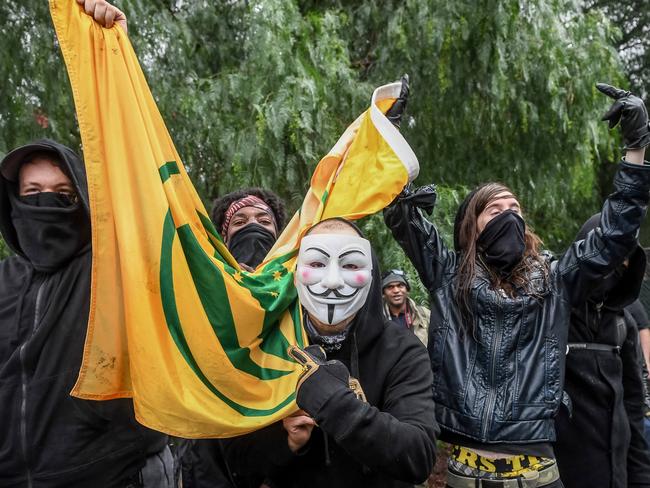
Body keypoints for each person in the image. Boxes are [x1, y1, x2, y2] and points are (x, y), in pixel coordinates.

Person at [384, 83, 650, 487]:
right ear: (471, 226)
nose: (509, 215)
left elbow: (614, 233)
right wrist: (388, 133)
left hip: (538, 472)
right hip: (463, 471)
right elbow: (400, 213)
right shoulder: (448, 274)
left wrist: (637, 145)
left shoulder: (557, 280)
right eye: (495, 209)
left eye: (515, 209)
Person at [0, 139, 171, 487]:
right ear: (14, 201)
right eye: (32, 192)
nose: (45, 202)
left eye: (62, 192)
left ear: (83, 198)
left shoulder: (116, 270)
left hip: (112, 472)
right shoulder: (4, 280)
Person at [221, 217, 438, 488]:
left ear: (372, 273)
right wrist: (284, 441)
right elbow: (237, 463)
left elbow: (418, 456)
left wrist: (333, 403)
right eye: (316, 264)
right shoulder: (268, 347)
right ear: (297, 271)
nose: (333, 281)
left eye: (350, 265)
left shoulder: (402, 350)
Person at [181, 188, 287, 488]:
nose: (253, 226)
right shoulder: (198, 289)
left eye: (264, 221)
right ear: (224, 239)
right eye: (239, 222)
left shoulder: (302, 288)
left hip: (283, 447)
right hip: (212, 452)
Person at [554, 215, 650, 488]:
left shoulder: (623, 324)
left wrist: (641, 479)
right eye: (606, 258)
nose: (613, 269)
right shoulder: (551, 314)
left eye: (622, 262)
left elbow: (633, 408)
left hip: (616, 476)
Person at [382, 269, 430, 346]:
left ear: (407, 290)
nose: (396, 290)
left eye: (400, 286)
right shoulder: (378, 319)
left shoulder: (423, 314)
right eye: (390, 287)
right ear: (383, 294)